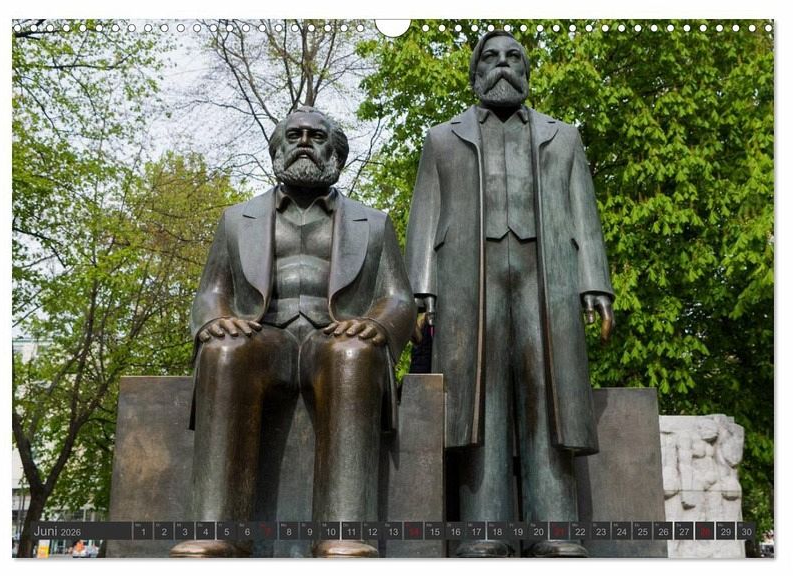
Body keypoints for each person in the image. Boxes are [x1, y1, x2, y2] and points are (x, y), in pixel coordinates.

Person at [170, 107, 415, 558]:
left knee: (351, 353)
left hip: (333, 336)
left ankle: (344, 533)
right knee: (225, 350)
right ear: (277, 149)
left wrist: (376, 324)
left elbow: (399, 298)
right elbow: (211, 292)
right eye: (294, 135)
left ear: (336, 153)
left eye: (317, 136)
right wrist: (216, 319)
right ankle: (217, 533)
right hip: (265, 338)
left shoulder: (374, 222)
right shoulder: (236, 220)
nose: (304, 142)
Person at [406, 30, 614, 557]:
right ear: (475, 73)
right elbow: (425, 212)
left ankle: (556, 531)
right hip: (466, 275)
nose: (502, 65)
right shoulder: (442, 139)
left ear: (526, 71)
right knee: (480, 400)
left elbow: (583, 212)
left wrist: (595, 282)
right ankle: (484, 533)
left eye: (513, 57)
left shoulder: (563, 137)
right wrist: (420, 289)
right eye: (491, 58)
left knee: (550, 396)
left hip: (547, 274)